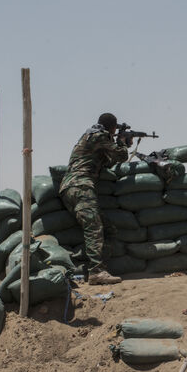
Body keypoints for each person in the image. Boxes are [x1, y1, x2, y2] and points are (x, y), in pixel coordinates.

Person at [59, 112, 129, 285]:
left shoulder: (91, 138)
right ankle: (96, 272)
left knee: (108, 230)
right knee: (94, 227)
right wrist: (122, 141)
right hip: (80, 186)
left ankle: (100, 268)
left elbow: (108, 161)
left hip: (71, 188)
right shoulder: (99, 135)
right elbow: (121, 155)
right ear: (112, 128)